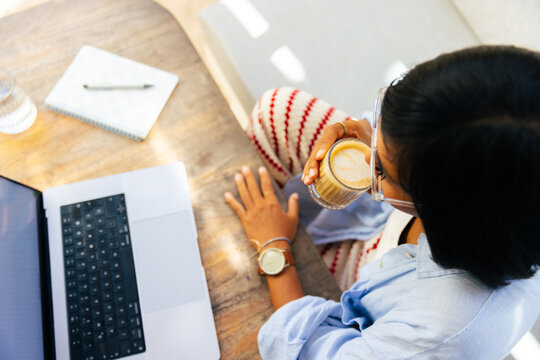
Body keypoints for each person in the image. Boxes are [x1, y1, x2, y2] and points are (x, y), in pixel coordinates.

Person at [223, 46, 540, 359]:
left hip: (364, 291)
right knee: (278, 109)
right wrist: (363, 130)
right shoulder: (496, 184)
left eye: (381, 169)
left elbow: (310, 353)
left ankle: (274, 225)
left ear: (446, 215)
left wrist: (274, 250)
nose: (368, 153)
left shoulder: (442, 331)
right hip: (385, 230)